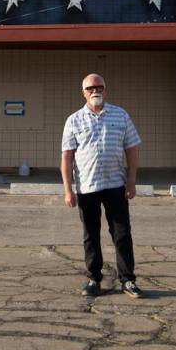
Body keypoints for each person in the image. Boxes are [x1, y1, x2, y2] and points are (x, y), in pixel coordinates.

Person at [61, 73, 143, 297]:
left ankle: (127, 280)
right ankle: (93, 279)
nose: (95, 91)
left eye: (99, 87)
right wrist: (68, 190)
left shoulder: (121, 115)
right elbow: (66, 158)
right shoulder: (74, 120)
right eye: (90, 88)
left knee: (122, 234)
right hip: (87, 188)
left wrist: (132, 181)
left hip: (116, 185)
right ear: (83, 92)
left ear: (105, 90)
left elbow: (132, 148)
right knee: (91, 235)